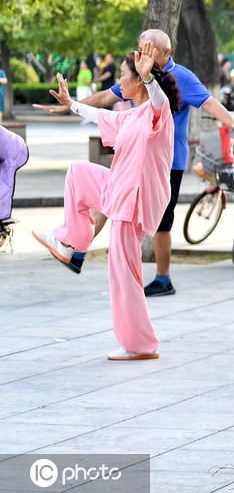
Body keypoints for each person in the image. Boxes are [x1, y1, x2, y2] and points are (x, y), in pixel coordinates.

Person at [33, 29, 234, 296]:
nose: (141, 54)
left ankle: (162, 278)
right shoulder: (136, 79)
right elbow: (105, 100)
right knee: (108, 199)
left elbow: (209, 105)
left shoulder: (177, 79)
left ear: (165, 53)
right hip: (135, 158)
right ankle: (75, 249)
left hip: (166, 165)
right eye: (139, 48)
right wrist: (71, 104)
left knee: (159, 224)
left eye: (147, 49)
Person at [32, 41, 181, 359]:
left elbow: (160, 102)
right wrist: (72, 104)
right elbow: (100, 115)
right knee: (78, 173)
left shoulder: (157, 112)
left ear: (139, 79)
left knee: (124, 273)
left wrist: (150, 79)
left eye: (125, 75)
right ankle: (73, 244)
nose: (120, 81)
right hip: (118, 188)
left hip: (134, 202)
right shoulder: (131, 116)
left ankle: (141, 345)